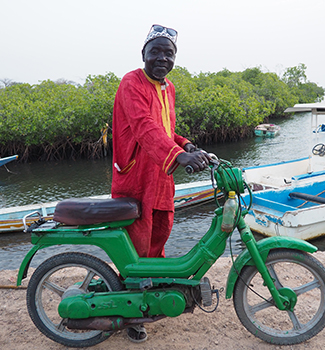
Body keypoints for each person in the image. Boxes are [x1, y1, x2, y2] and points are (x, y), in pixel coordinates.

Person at [111, 24, 211, 342]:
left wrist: (188, 145)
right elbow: (144, 127)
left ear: (174, 58)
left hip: (161, 176)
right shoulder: (131, 82)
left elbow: (165, 130)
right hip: (138, 178)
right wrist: (178, 156)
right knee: (137, 245)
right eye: (155, 51)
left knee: (160, 235)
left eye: (168, 53)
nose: (162, 58)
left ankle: (150, 291)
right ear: (143, 53)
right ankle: (131, 314)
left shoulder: (168, 88)